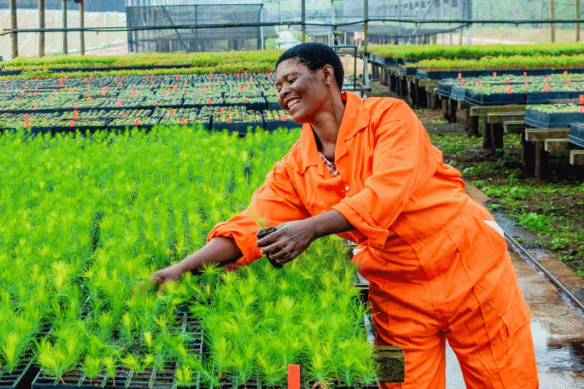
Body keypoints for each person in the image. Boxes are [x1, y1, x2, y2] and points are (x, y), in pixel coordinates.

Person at [149, 43, 537, 388]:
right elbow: (251, 225)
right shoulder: (295, 166)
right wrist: (181, 269)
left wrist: (311, 228)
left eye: (291, 79)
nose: (283, 91)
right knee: (401, 380)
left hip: (469, 269)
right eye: (277, 87)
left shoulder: (390, 117)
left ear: (327, 75)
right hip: (395, 291)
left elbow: (388, 191)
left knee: (504, 377)